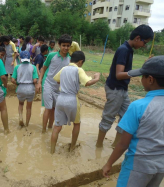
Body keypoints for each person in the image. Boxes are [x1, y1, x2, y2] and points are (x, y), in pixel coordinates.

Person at [102, 56, 164, 187]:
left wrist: (109, 163)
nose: (141, 79)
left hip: (138, 166)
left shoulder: (138, 106)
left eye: (143, 77)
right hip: (160, 166)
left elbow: (123, 144)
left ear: (150, 79)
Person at [96, 25, 154, 148]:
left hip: (122, 89)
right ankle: (98, 146)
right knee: (108, 117)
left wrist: (143, 68)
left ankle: (115, 145)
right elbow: (119, 74)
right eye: (145, 42)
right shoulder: (124, 50)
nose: (144, 46)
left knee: (127, 116)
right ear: (138, 38)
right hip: (115, 89)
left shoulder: (128, 49)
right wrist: (141, 71)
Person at [51, 51, 100, 154]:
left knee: (57, 126)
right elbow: (87, 82)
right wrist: (96, 78)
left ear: (70, 60)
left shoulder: (64, 69)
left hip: (60, 99)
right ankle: (72, 148)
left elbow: (57, 80)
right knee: (77, 124)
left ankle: (51, 150)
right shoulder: (79, 70)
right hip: (72, 99)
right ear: (80, 61)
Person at [37, 34, 72, 133]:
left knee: (54, 109)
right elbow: (44, 69)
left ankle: (49, 127)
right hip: (48, 84)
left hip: (60, 88)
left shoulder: (70, 59)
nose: (65, 48)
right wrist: (39, 82)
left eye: (68, 45)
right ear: (59, 45)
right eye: (63, 45)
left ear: (70, 46)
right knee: (48, 108)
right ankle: (43, 131)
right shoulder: (52, 55)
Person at [11, 51, 38, 127]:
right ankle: (27, 124)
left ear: (20, 58)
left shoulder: (17, 67)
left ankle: (20, 117)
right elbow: (35, 80)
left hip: (21, 88)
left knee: (20, 104)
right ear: (30, 58)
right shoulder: (33, 67)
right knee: (29, 107)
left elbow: (12, 80)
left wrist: (18, 84)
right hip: (30, 88)